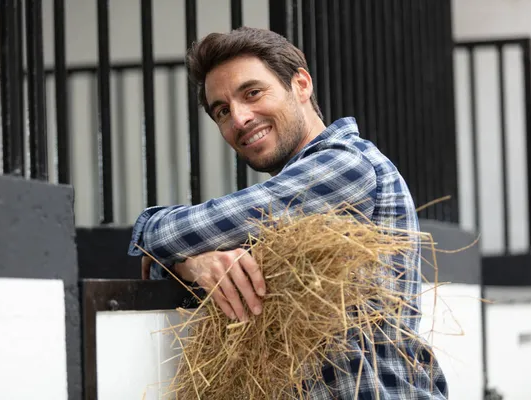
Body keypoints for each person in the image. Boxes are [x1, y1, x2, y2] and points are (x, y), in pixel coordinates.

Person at [128, 26, 447, 399]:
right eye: (222, 111)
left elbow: (177, 232)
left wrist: (154, 234)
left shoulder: (345, 167)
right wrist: (191, 264)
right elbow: (209, 245)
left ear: (301, 85)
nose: (239, 118)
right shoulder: (291, 197)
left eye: (253, 93)